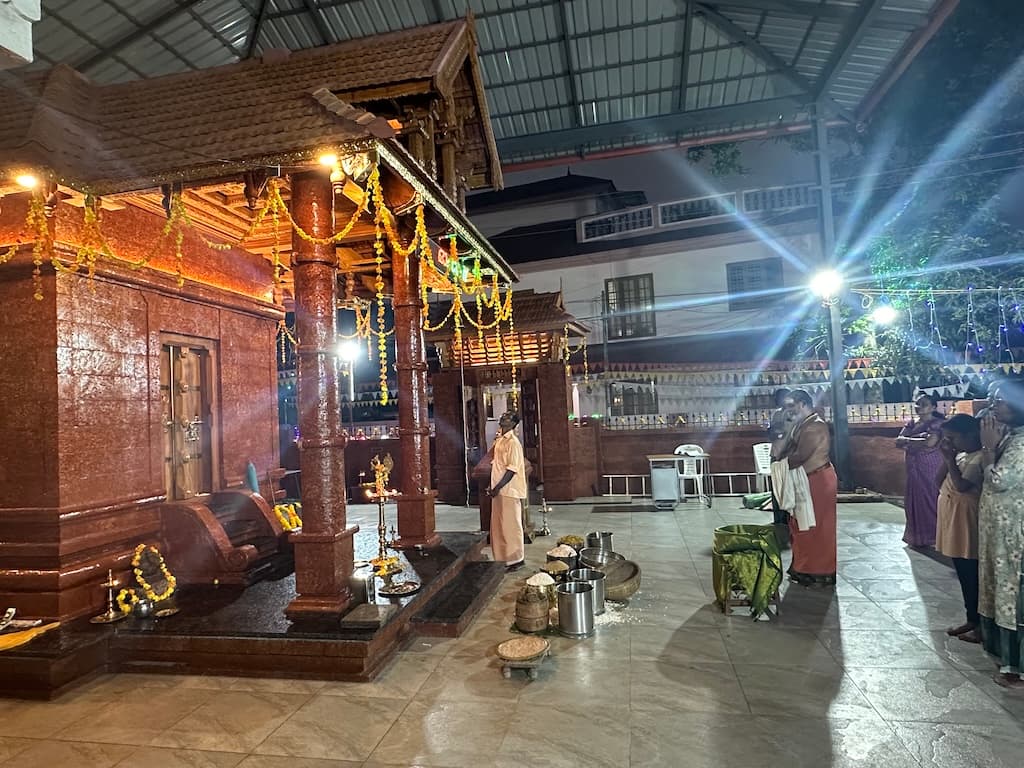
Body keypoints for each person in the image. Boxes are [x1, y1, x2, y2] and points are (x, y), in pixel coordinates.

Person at [977, 382, 1024, 688]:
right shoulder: (1011, 436)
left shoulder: (1021, 444)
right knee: (1000, 588)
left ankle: (1017, 669)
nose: (994, 405)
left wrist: (987, 449)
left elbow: (998, 480)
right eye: (992, 399)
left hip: (1015, 536)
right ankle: (1002, 656)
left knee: (1014, 595)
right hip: (1001, 533)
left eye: (1001, 400)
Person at [779, 389, 837, 586]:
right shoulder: (803, 424)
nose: (787, 410)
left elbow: (799, 456)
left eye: (791, 406)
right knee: (800, 524)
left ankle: (819, 571)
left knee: (816, 526)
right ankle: (803, 567)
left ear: (802, 404)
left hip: (818, 479)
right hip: (806, 479)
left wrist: (779, 461)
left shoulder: (815, 426)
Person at [936, 414, 984, 643]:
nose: (949, 443)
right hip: (954, 517)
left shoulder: (980, 457)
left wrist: (950, 460)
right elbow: (937, 481)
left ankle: (979, 622)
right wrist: (947, 457)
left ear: (971, 435)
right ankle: (971, 618)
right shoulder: (961, 454)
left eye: (952, 438)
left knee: (971, 571)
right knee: (962, 570)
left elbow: (962, 485)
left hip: (967, 518)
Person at [896, 393, 945, 547]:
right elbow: (898, 441)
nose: (919, 407)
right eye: (917, 404)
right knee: (915, 499)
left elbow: (931, 442)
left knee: (931, 498)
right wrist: (920, 438)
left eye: (924, 404)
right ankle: (918, 538)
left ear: (933, 407)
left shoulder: (938, 424)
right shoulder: (912, 423)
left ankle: (934, 537)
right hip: (913, 466)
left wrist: (908, 440)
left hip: (931, 466)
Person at [486, 411, 527, 572]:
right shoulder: (500, 440)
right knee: (499, 527)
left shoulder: (513, 442)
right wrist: (492, 486)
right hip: (498, 490)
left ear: (514, 424)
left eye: (508, 417)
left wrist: (497, 487)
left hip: (509, 490)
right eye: (503, 415)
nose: (504, 417)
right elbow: (497, 465)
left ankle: (516, 559)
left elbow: (511, 469)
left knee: (511, 527)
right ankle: (502, 559)